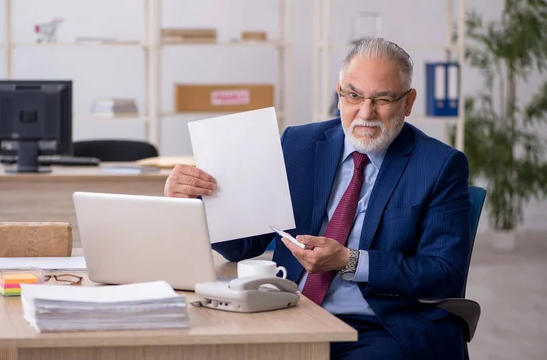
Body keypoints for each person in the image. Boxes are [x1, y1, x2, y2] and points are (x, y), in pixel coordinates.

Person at [164, 38, 471, 360]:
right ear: (339, 94)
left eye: (383, 99)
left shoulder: (439, 165)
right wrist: (197, 199)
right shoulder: (298, 143)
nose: (366, 113)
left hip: (381, 326)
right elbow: (243, 246)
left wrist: (349, 261)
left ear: (408, 103)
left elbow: (444, 273)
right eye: (354, 95)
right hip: (289, 312)